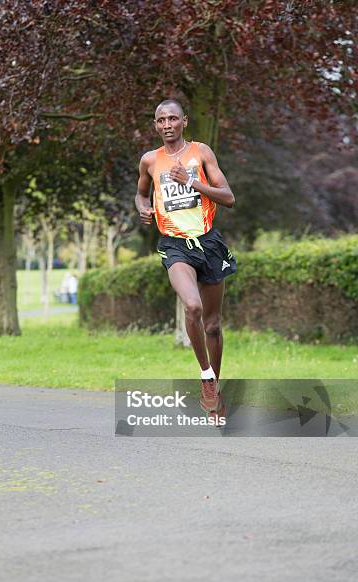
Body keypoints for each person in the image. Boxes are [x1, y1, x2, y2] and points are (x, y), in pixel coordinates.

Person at [135, 99, 236, 417]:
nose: (166, 124)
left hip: (208, 242)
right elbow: (140, 192)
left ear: (184, 122)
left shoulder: (201, 152)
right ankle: (206, 377)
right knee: (192, 306)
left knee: (214, 325)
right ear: (155, 125)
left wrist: (191, 181)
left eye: (172, 119)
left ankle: (214, 391)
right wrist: (142, 206)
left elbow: (229, 198)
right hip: (174, 245)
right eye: (160, 120)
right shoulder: (150, 160)